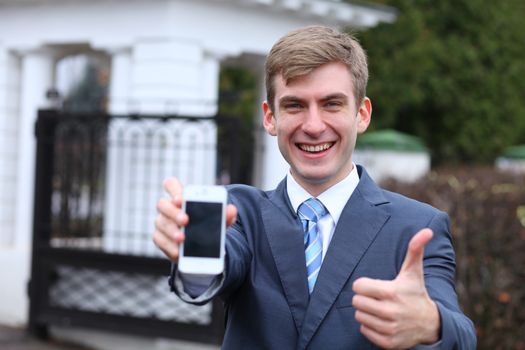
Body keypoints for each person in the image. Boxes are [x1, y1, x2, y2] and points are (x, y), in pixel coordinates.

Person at [153, 25, 476, 349]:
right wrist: (193, 248)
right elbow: (221, 264)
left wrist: (431, 323)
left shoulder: (418, 227)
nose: (313, 126)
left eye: (332, 104)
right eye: (295, 105)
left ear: (362, 114)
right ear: (270, 118)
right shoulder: (240, 212)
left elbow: (462, 336)